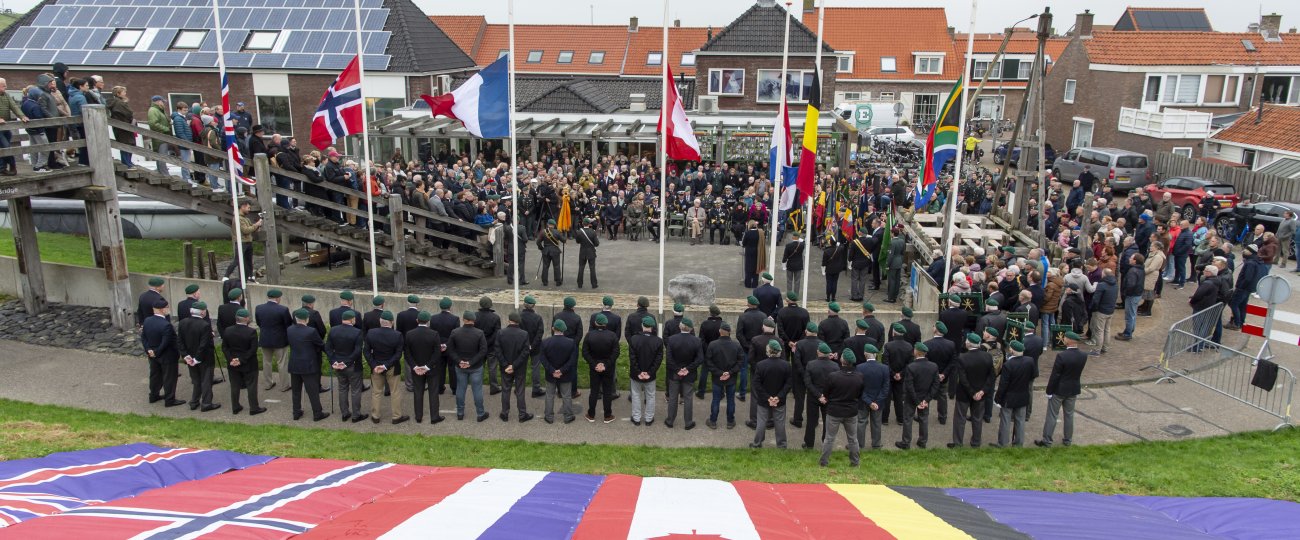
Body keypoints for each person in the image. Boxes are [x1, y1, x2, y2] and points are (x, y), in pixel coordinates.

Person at [1036, 331, 1088, 447]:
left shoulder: (1062, 356)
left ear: (1069, 340)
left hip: (1059, 390)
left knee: (1052, 415)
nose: (1063, 339)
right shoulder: (1083, 356)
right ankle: (1068, 439)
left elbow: (1055, 376)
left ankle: (1047, 440)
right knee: (1069, 415)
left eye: (1065, 338)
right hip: (1073, 389)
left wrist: (1049, 391)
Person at [819, 348, 865, 466]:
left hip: (834, 411)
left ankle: (824, 462)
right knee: (853, 439)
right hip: (851, 412)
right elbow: (860, 394)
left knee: (829, 438)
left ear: (842, 360)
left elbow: (826, 393)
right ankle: (855, 462)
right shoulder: (859, 376)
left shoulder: (833, 376)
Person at [950, 332, 993, 448]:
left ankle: (958, 443)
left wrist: (972, 392)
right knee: (977, 419)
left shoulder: (962, 358)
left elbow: (963, 379)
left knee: (960, 419)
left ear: (968, 343)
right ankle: (976, 442)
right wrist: (982, 391)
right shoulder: (988, 356)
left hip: (964, 394)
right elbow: (991, 377)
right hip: (981, 394)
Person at [365, 310, 407, 425]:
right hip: (392, 367)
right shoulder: (397, 335)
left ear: (380, 321)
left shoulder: (371, 333)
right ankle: (396, 416)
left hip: (376, 367)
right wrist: (386, 365)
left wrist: (374, 365)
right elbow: (398, 354)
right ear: (392, 322)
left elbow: (366, 352)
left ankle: (375, 416)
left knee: (376, 392)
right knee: (395, 392)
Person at [287, 309, 329, 422]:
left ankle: (296, 412)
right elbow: (321, 344)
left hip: (294, 364)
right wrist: (332, 355)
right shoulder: (311, 331)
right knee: (312, 391)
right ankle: (317, 413)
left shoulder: (289, 330)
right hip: (308, 365)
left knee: (296, 390)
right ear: (307, 319)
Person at [407, 310, 448, 424]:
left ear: (417, 321)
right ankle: (434, 417)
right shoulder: (434, 334)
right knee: (433, 392)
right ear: (428, 321)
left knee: (418, 391)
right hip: (432, 369)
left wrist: (415, 366)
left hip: (416, 369)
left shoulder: (410, 334)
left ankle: (418, 416)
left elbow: (407, 353)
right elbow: (437, 353)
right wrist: (427, 366)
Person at [177, 301, 219, 412]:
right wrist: (197, 359)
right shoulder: (204, 325)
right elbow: (203, 345)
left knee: (196, 380)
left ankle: (194, 401)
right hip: (204, 358)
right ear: (203, 312)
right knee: (206, 381)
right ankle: (206, 403)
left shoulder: (183, 323)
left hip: (189, 358)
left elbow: (180, 341)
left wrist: (186, 356)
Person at [750, 340, 792, 449]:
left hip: (764, 400)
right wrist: (778, 397)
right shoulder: (786, 365)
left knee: (761, 422)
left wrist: (768, 397)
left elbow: (756, 384)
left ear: (768, 350)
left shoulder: (760, 365)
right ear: (779, 351)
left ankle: (757, 443)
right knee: (780, 423)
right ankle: (782, 445)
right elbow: (788, 384)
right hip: (780, 400)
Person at [222, 308, 264, 415]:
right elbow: (252, 350)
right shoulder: (251, 332)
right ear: (246, 319)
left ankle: (235, 406)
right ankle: (254, 407)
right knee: (251, 385)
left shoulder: (228, 330)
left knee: (234, 386)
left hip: (232, 364)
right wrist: (241, 360)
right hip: (249, 364)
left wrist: (231, 359)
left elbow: (225, 348)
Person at [896, 342, 939, 450]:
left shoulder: (911, 367)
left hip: (912, 399)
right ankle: (922, 441)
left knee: (908, 419)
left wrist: (916, 401)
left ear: (917, 352)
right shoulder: (934, 366)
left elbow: (909, 386)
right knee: (923, 419)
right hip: (925, 398)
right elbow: (936, 384)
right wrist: (927, 399)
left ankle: (906, 442)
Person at [493, 312, 533, 423]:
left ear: (509, 320)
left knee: (506, 390)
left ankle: (505, 413)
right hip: (519, 367)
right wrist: (514, 365)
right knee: (520, 390)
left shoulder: (501, 333)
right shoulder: (524, 334)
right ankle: (522, 414)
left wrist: (506, 365)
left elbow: (497, 350)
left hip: (505, 367)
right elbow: (525, 352)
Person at [326, 310, 366, 423]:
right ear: (352, 319)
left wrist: (334, 361)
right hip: (353, 366)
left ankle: (345, 413)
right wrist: (346, 362)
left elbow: (328, 348)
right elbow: (357, 351)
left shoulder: (333, 330)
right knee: (355, 390)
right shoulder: (357, 332)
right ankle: (356, 415)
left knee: (342, 389)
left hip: (338, 366)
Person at [448, 311, 488, 421]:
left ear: (463, 319)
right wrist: (471, 362)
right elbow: (483, 350)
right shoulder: (479, 333)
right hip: (476, 367)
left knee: (460, 389)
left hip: (460, 366)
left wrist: (459, 361)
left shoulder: (455, 332)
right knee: (477, 390)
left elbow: (450, 349)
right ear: (473, 321)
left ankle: (460, 413)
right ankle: (480, 413)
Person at [995, 340, 1036, 447]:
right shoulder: (1030, 361)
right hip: (1023, 395)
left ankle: (1003, 443)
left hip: (1009, 398)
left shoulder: (1008, 365)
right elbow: (1033, 375)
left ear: (1012, 350)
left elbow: (1003, 384)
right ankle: (1018, 443)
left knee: (1005, 421)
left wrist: (998, 398)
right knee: (1020, 421)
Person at [665, 317, 703, 430]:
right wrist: (688, 369)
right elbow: (700, 359)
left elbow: (669, 359)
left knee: (673, 398)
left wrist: (678, 369)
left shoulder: (671, 339)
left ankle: (670, 421)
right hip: (689, 374)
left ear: (680, 327)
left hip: (675, 374)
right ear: (691, 329)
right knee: (688, 398)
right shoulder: (696, 341)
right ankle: (688, 422)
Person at [583, 313, 620, 423]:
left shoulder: (589, 335)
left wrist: (594, 364)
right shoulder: (612, 336)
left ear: (595, 323)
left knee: (594, 391)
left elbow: (585, 352)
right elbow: (616, 352)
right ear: (605, 324)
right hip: (608, 368)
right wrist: (606, 365)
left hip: (594, 368)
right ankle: (607, 415)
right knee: (607, 392)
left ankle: (591, 414)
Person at [706, 322, 743, 430]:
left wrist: (720, 373)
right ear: (730, 332)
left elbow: (708, 362)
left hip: (718, 378)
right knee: (730, 400)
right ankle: (730, 422)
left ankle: (713, 421)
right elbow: (740, 362)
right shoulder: (736, 345)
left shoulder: (713, 344)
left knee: (716, 399)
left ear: (719, 332)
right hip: (731, 378)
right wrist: (729, 373)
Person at [541, 319, 579, 424]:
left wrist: (552, 371)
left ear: (553, 329)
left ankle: (548, 417)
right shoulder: (571, 343)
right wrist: (561, 371)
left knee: (549, 395)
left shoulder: (545, 342)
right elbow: (572, 360)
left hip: (550, 374)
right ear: (564, 330)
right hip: (565, 375)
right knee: (566, 396)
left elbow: (543, 359)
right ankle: (568, 416)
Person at [628, 316, 664, 426]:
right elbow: (658, 360)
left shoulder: (634, 339)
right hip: (650, 376)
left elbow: (632, 358)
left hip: (636, 374)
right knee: (651, 396)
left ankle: (636, 418)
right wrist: (649, 373)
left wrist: (639, 372)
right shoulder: (658, 341)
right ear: (652, 327)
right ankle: (649, 419)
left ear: (642, 325)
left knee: (636, 395)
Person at [802, 342, 838, 449]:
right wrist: (825, 396)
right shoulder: (835, 366)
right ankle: (826, 442)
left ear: (818, 352)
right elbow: (836, 384)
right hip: (829, 398)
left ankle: (809, 444)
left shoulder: (811, 364)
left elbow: (808, 382)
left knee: (811, 421)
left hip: (813, 396)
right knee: (827, 421)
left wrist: (818, 395)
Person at [255, 289, 291, 392]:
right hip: (280, 340)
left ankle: (268, 383)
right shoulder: (283, 309)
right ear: (278, 298)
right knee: (282, 363)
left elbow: (258, 322)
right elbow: (288, 324)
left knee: (267, 362)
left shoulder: (259, 308)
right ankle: (284, 385)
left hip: (265, 339)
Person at [854, 344, 889, 450]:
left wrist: (869, 402)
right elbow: (886, 388)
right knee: (877, 423)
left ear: (865, 354)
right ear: (875, 355)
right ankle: (876, 444)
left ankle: (859, 444)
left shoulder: (859, 367)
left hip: (863, 401)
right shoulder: (884, 368)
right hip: (879, 402)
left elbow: (859, 387)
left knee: (861, 422)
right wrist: (877, 402)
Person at [1227, 245, 1267, 330]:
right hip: (1249, 288)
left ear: (1250, 251)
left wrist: (1240, 286)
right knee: (1242, 305)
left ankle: (1236, 323)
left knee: (1234, 304)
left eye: (1246, 249)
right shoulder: (1257, 261)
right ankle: (1241, 322)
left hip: (1243, 288)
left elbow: (1247, 277)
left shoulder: (1250, 263)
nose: (1244, 251)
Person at [923, 321, 955, 425]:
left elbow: (926, 361)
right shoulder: (951, 344)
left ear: (935, 330)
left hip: (930, 376)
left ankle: (923, 415)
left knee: (926, 395)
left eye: (933, 326)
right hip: (943, 376)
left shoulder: (927, 344)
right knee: (942, 396)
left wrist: (935, 374)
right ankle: (942, 417)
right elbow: (952, 361)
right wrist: (944, 374)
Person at [881, 323, 912, 425]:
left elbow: (885, 362)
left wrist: (893, 373)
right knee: (899, 397)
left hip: (889, 375)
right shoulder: (908, 346)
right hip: (902, 376)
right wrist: (900, 374)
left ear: (894, 332)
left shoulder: (888, 345)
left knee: (887, 397)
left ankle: (885, 419)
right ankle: (900, 418)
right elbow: (909, 363)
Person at [224, 201, 263, 282]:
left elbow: (251, 229)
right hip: (241, 242)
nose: (249, 210)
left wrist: (258, 226)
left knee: (249, 261)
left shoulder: (246, 218)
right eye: (248, 208)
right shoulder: (238, 218)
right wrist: (256, 225)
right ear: (243, 207)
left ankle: (250, 276)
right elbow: (245, 230)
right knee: (237, 260)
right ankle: (226, 276)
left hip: (248, 242)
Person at [1088, 268, 1118, 355]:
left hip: (1101, 311)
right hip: (1110, 310)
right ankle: (1105, 348)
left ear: (1104, 274)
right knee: (1107, 329)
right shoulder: (1115, 284)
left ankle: (1097, 350)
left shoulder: (1102, 285)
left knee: (1099, 330)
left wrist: (1092, 308)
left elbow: (1095, 299)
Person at [1116, 253, 1145, 341]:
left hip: (1132, 295)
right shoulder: (1141, 269)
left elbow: (1131, 284)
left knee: (1129, 315)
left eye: (1131, 258)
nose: (1129, 259)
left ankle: (1127, 334)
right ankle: (1128, 330)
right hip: (1137, 294)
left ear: (1135, 261)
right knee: (1132, 314)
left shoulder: (1133, 271)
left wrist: (1125, 292)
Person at [537, 219, 564, 287]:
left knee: (545, 267)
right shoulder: (557, 232)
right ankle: (558, 281)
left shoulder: (543, 232)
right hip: (555, 251)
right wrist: (564, 233)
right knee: (556, 266)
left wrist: (542, 248)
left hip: (546, 251)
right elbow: (564, 240)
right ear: (554, 225)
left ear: (548, 224)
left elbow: (538, 242)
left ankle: (545, 282)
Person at [574, 217, 600, 289]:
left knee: (581, 268)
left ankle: (580, 284)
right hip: (591, 252)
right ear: (589, 224)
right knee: (592, 269)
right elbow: (597, 244)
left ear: (583, 224)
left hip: (582, 252)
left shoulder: (579, 232)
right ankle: (594, 284)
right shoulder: (593, 232)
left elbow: (577, 241)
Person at [849, 229, 874, 302]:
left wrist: (849, 260)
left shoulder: (855, 242)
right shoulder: (870, 241)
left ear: (860, 233)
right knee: (863, 280)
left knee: (854, 279)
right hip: (865, 263)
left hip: (856, 263)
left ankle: (854, 296)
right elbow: (871, 250)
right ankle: (861, 296)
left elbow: (851, 254)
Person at [821, 235, 848, 302]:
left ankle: (828, 297)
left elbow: (824, 262)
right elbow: (843, 245)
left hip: (829, 269)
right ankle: (833, 297)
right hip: (837, 269)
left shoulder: (826, 251)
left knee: (829, 283)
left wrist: (823, 271)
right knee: (834, 283)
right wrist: (838, 243)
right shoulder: (839, 249)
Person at [885, 228, 907, 303]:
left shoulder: (892, 242)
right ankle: (895, 296)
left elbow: (891, 255)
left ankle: (890, 297)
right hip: (899, 262)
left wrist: (888, 264)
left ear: (893, 234)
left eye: (891, 233)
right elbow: (903, 252)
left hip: (893, 263)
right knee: (897, 281)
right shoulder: (902, 241)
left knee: (892, 281)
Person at [742, 220, 761, 288]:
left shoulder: (747, 233)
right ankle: (755, 284)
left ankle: (748, 283)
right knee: (756, 267)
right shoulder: (759, 233)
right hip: (757, 251)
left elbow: (744, 243)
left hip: (749, 251)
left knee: (748, 267)